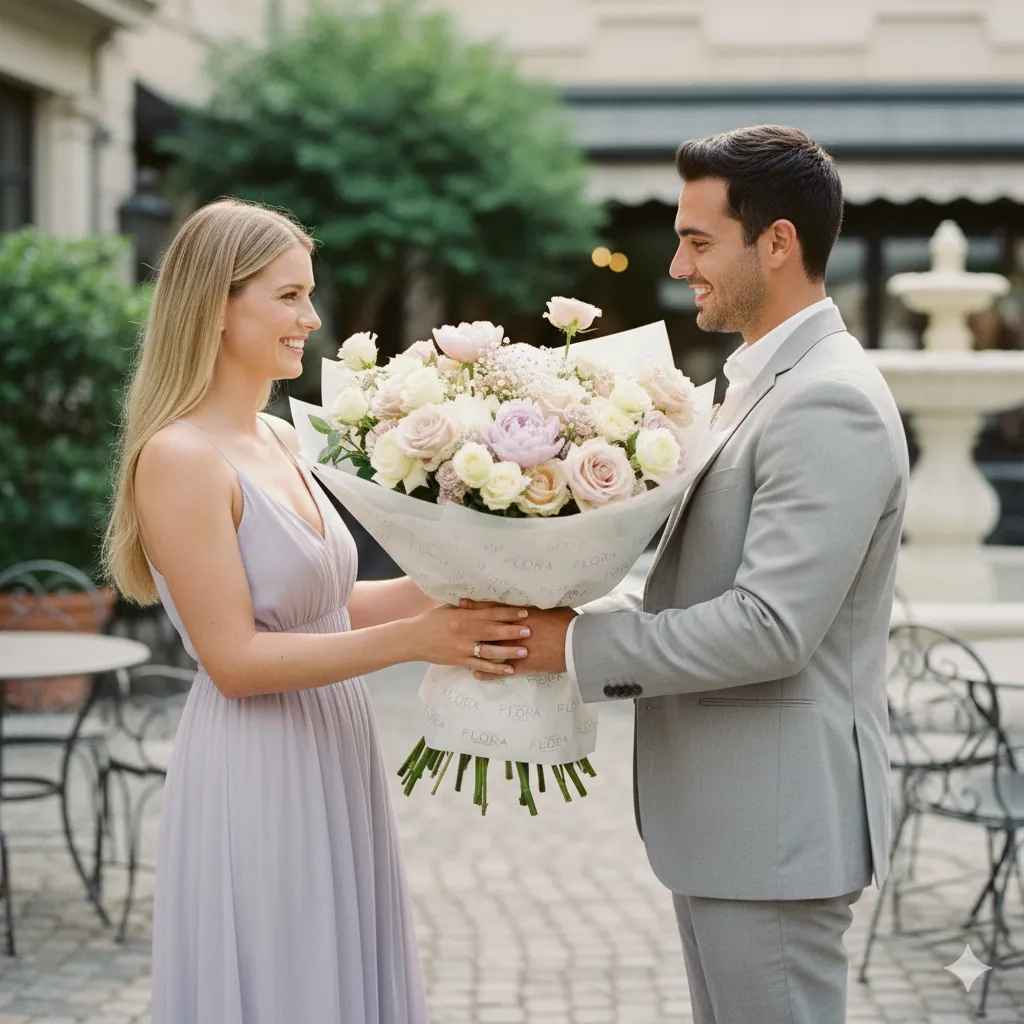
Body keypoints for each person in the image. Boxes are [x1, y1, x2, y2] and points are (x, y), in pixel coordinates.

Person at [503, 125, 910, 1023]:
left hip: (774, 834)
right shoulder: (758, 384)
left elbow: (771, 626)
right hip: (736, 829)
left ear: (777, 242)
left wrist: (575, 645)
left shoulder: (826, 400)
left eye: (698, 241)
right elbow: (698, 583)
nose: (681, 262)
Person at [104, 198, 531, 1024]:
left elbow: (326, 606)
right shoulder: (180, 458)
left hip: (333, 743)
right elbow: (234, 660)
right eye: (289, 296)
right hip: (258, 763)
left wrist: (477, 576)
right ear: (218, 307)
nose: (314, 316)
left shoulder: (283, 439)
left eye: (309, 294)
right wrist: (415, 639)